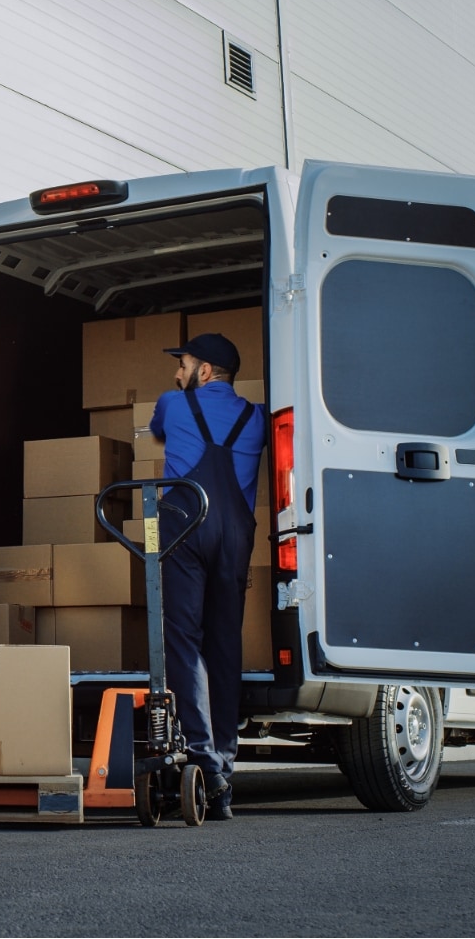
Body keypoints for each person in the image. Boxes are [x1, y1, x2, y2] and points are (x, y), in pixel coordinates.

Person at [150, 332, 267, 820]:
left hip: (184, 526)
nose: (176, 372)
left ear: (203, 372)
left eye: (184, 364)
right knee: (224, 643)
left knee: (183, 638)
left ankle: (202, 760)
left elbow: (158, 432)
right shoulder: (257, 417)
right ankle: (225, 760)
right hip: (237, 533)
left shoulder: (172, 404)